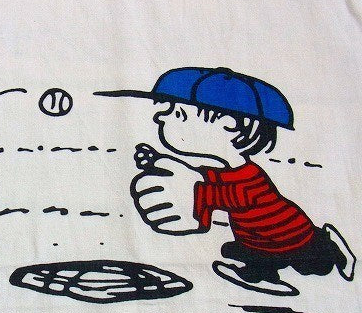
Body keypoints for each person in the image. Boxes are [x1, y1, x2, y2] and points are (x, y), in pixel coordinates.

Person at [95, 67, 356, 295]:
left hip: (289, 236)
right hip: (257, 239)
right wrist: (159, 160)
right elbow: (202, 176)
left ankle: (329, 246)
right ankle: (261, 272)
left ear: (229, 124)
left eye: (178, 113)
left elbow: (237, 197)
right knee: (247, 254)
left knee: (314, 265)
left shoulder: (250, 176)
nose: (160, 117)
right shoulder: (224, 171)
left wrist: (198, 195)